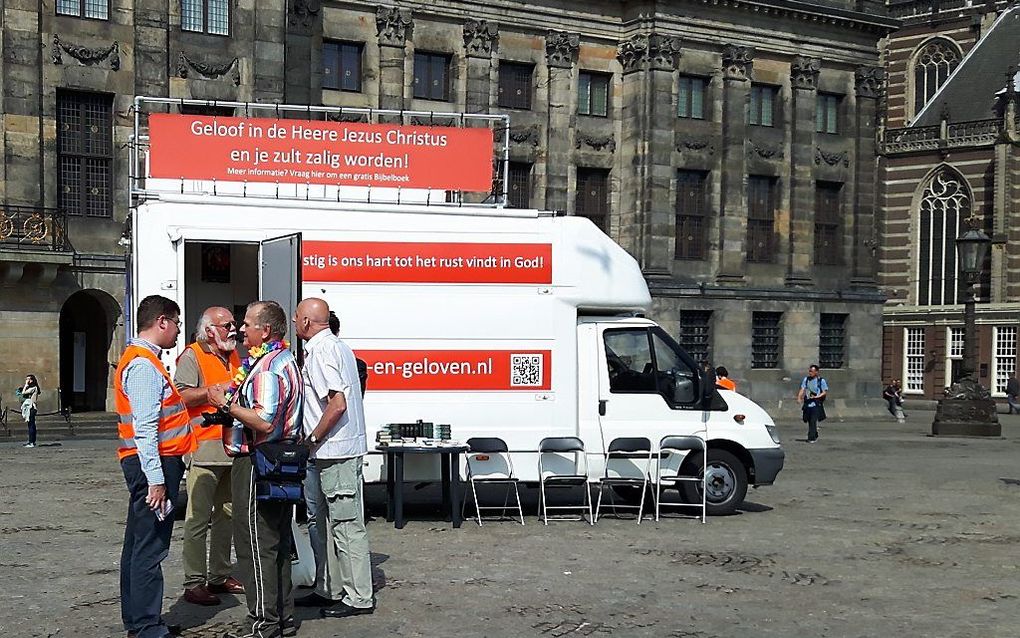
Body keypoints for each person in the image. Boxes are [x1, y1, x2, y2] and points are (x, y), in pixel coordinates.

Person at [209, 301, 303, 638]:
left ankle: (262, 622)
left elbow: (263, 420)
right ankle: (281, 617)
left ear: (265, 331)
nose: (241, 329)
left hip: (258, 461)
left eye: (247, 324)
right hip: (279, 460)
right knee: (276, 541)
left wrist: (227, 405)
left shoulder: (266, 369)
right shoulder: (285, 360)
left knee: (255, 542)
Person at [114, 295, 197, 638]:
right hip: (155, 463)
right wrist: (157, 481)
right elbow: (146, 429)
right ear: (161, 321)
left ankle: (140, 621)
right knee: (150, 546)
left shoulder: (142, 360)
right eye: (176, 323)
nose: (179, 330)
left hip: (149, 462)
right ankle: (147, 625)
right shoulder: (144, 366)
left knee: (137, 544)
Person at [293, 299, 374, 618]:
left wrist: (311, 438)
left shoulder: (324, 351)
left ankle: (358, 597)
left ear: (308, 322)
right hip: (329, 452)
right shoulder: (336, 347)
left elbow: (336, 403)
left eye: (298, 317)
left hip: (335, 451)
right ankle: (329, 587)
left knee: (345, 524)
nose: (296, 323)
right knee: (322, 522)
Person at [175, 307, 245, 606]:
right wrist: (210, 393)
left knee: (227, 516)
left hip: (230, 448)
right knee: (198, 519)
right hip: (203, 450)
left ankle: (218, 575)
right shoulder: (192, 355)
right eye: (226, 324)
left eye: (233, 324)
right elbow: (180, 395)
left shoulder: (233, 355)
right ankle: (194, 581)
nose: (233, 329)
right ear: (209, 330)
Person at [797, 364, 828, 443]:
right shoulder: (806, 379)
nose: (810, 373)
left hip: (816, 404)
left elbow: (824, 392)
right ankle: (815, 433)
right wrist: (799, 397)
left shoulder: (821, 381)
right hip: (807, 403)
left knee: (813, 420)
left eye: (812, 371)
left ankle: (811, 437)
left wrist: (817, 397)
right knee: (807, 419)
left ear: (816, 372)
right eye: (809, 371)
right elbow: (802, 388)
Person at [20, 374, 40, 448]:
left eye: (28, 379)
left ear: (32, 380)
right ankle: (32, 441)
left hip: (31, 407)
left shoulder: (34, 388)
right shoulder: (32, 388)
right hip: (31, 407)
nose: (27, 381)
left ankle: (31, 442)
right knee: (31, 425)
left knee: (31, 425)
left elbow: (23, 393)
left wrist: (25, 385)